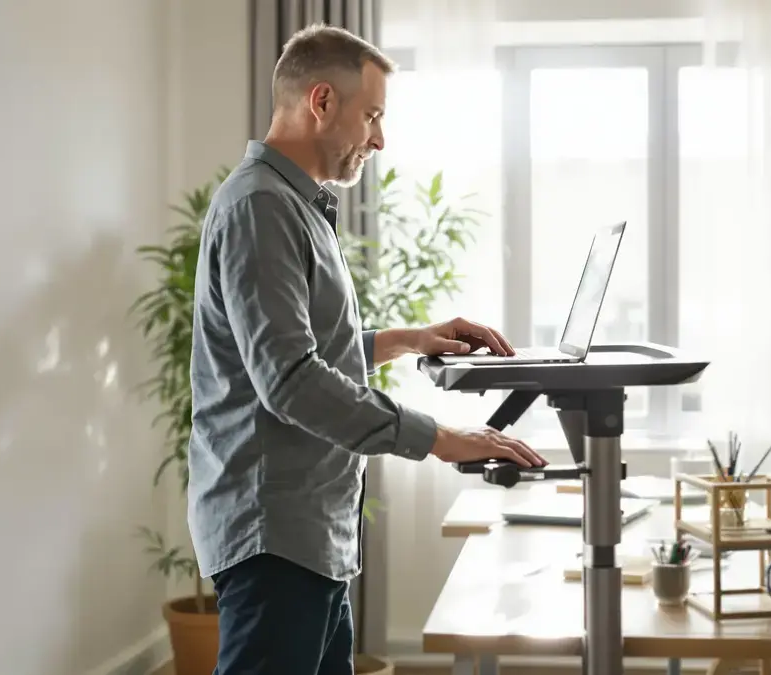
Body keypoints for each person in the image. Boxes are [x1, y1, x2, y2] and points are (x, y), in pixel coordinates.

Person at [187, 23, 548, 675]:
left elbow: (305, 348)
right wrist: (439, 436)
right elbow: (290, 379)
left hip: (311, 535)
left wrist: (409, 338)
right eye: (372, 116)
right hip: (276, 536)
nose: (378, 139)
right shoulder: (260, 206)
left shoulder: (297, 208)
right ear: (321, 101)